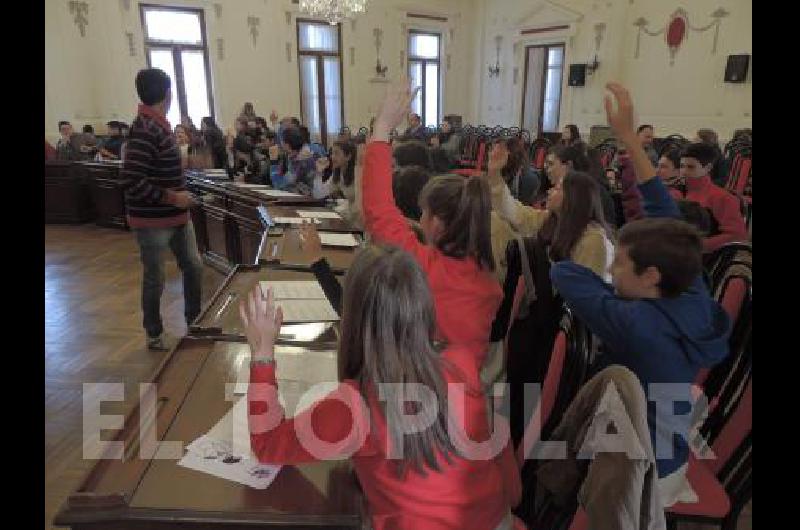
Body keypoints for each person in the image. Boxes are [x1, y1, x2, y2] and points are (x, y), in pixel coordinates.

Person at [243, 241, 522, 530]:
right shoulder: (462, 361)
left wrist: (262, 353)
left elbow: (267, 444)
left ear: (353, 315)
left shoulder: (355, 406)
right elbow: (509, 483)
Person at [549, 81, 730, 507]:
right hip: (673, 451)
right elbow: (662, 212)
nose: (611, 269)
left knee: (554, 442)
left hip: (638, 474)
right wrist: (629, 139)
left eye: (620, 264)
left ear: (650, 276)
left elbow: (566, 274)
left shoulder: (636, 323)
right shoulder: (690, 289)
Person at [363, 83, 502, 370]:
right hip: (466, 400)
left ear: (436, 222)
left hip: (424, 401)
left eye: (423, 214)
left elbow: (379, 211)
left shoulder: (423, 269)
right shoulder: (488, 278)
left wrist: (382, 129)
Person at [119, 68, 203, 351]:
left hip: (177, 216)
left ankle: (195, 322)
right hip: (153, 221)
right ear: (167, 94)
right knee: (155, 278)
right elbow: (131, 181)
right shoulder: (144, 128)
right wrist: (173, 197)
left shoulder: (158, 124)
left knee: (193, 265)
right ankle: (154, 333)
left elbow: (155, 170)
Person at [487, 145, 614, 281]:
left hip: (568, 298)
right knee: (496, 221)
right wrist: (494, 173)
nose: (549, 191)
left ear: (573, 197)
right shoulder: (554, 219)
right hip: (552, 291)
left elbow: (587, 291)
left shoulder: (592, 240)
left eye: (557, 189)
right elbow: (517, 213)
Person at [672, 142, 748, 253]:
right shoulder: (676, 191)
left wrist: (697, 246)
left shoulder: (722, 198)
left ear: (708, 168)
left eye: (691, 167)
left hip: (695, 258)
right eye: (682, 166)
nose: (683, 172)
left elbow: (737, 235)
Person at [269, 126, 318, 194]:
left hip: (306, 200)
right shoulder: (293, 156)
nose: (279, 145)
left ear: (287, 145)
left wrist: (273, 162)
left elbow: (279, 185)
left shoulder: (303, 160)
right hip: (296, 196)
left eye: (281, 142)